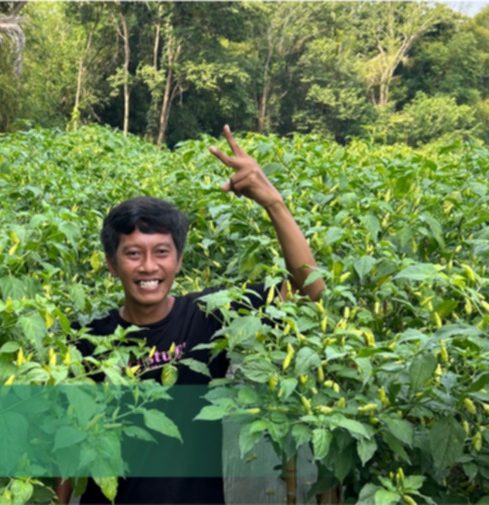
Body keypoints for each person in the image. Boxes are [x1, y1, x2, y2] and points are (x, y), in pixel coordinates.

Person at [57, 125, 325, 504]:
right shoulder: (87, 339)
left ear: (179, 261)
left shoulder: (208, 315)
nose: (148, 266)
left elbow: (309, 292)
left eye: (162, 252)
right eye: (133, 253)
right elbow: (69, 446)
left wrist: (273, 203)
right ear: (112, 265)